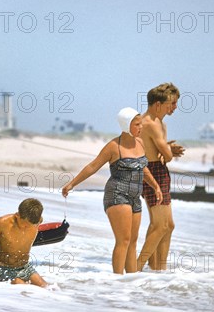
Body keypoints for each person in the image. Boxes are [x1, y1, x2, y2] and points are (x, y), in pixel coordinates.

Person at [62, 108, 163, 274]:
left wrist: (155, 186)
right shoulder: (113, 147)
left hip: (135, 196)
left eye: (141, 124)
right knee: (123, 240)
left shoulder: (140, 143)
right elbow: (93, 166)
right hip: (117, 193)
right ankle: (116, 284)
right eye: (137, 124)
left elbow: (143, 169)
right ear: (126, 125)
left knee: (133, 241)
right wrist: (72, 184)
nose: (141, 127)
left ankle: (130, 282)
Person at [137, 83, 184, 272]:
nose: (174, 108)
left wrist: (166, 150)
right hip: (152, 172)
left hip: (159, 170)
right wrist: (169, 150)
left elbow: (164, 154)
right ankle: (136, 266)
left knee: (167, 225)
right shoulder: (149, 123)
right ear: (158, 104)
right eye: (171, 104)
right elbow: (167, 155)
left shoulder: (160, 123)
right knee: (161, 225)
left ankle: (157, 269)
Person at [0, 198, 48, 287]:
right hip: (4, 269)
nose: (25, 228)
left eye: (29, 226)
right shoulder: (1, 223)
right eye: (24, 225)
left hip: (25, 267)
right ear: (17, 215)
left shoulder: (37, 220)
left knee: (46, 287)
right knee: (26, 290)